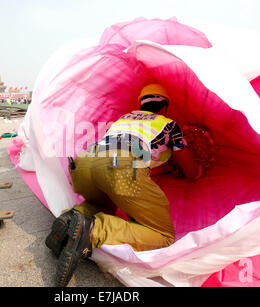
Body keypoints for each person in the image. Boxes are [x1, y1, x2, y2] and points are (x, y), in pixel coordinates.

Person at [45, 83, 202, 286]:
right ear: (164, 107)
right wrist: (198, 170)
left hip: (84, 164)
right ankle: (93, 229)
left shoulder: (124, 119)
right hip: (120, 167)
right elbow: (190, 171)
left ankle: (71, 218)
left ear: (141, 105)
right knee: (162, 235)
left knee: (105, 205)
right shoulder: (168, 125)